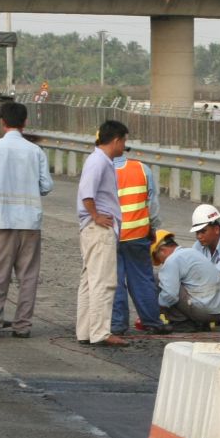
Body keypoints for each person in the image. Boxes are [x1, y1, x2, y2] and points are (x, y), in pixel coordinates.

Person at [0, 101, 54, 338]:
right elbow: (47, 186)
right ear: (25, 122)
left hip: (2, 221)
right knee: (28, 277)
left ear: (2, 122)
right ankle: (22, 326)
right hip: (30, 223)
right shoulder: (35, 151)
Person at [76, 120, 129, 347]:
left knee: (89, 281)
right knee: (103, 282)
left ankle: (86, 331)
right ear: (116, 140)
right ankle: (100, 332)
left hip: (93, 228)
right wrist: (96, 215)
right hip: (99, 228)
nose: (124, 146)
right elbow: (87, 193)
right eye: (124, 141)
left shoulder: (98, 160)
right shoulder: (98, 161)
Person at [112, 148, 166, 335]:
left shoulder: (100, 170)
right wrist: (152, 228)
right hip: (138, 235)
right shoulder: (141, 169)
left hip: (112, 235)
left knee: (115, 280)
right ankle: (152, 321)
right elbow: (153, 205)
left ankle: (118, 325)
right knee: (142, 279)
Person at [150, 230, 220, 330]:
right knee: (177, 282)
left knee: (157, 279)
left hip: (205, 312)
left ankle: (182, 322)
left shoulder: (172, 260)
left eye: (157, 258)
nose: (161, 263)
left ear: (162, 250)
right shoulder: (192, 252)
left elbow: (170, 295)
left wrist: (152, 310)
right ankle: (199, 321)